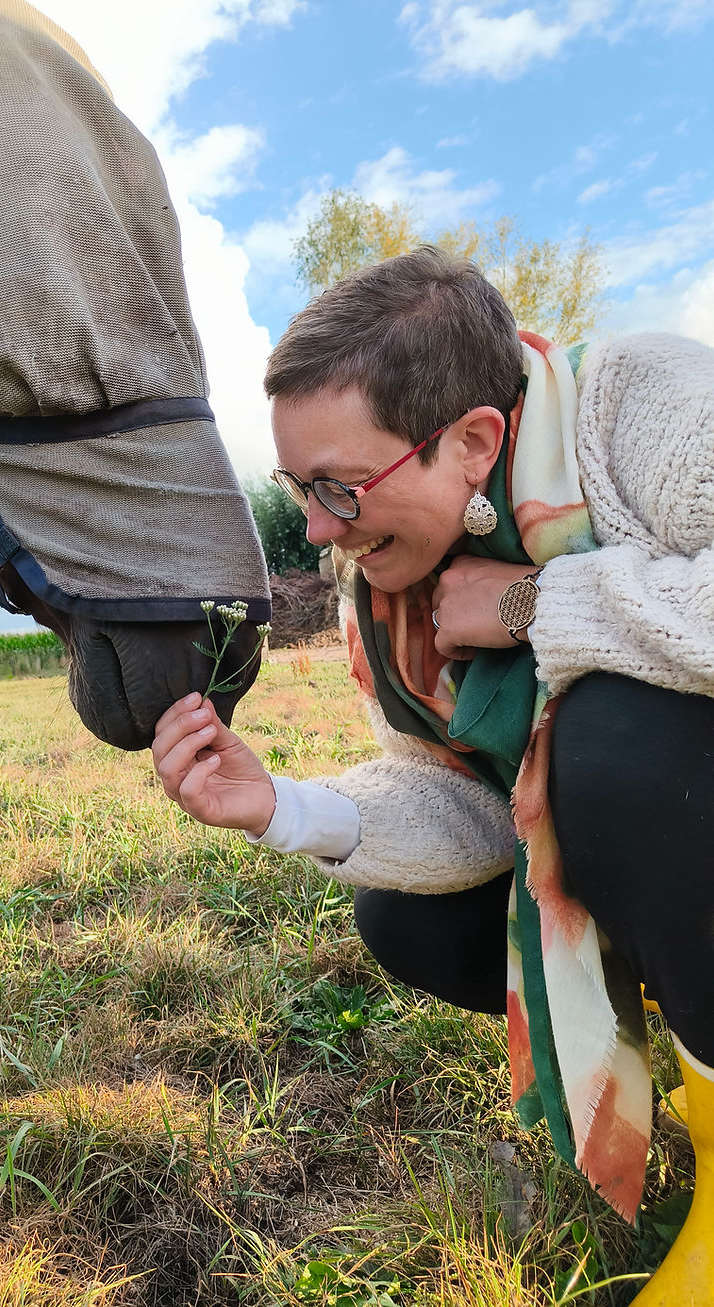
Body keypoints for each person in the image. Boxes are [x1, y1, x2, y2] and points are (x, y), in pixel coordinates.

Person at [153, 246, 714, 1305]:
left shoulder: (644, 403)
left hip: (666, 782)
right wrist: (283, 805)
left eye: (337, 487)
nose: (317, 526)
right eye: (296, 486)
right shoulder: (388, 584)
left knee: (606, 743)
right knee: (407, 919)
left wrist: (537, 608)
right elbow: (461, 801)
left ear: (471, 440)